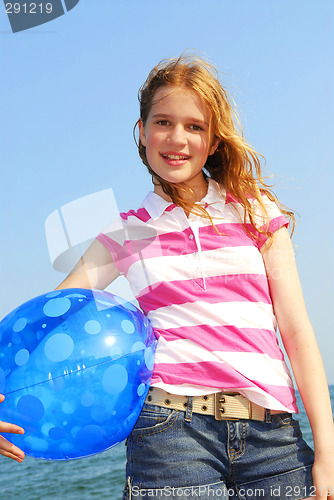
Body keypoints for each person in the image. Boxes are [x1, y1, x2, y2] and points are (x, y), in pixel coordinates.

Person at [1, 54, 333, 499]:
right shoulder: (124, 232)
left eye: (194, 126)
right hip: (170, 436)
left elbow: (297, 332)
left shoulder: (256, 211)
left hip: (272, 438)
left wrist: (327, 452)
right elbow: (49, 322)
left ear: (214, 140)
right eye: (163, 122)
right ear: (142, 131)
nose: (177, 139)